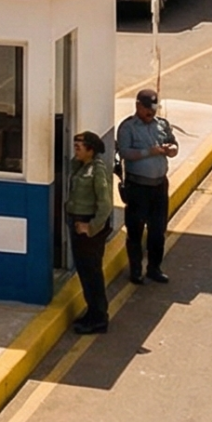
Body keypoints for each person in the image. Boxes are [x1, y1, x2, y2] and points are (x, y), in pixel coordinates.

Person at [115, 87, 180, 284]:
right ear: (137, 106)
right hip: (137, 187)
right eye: (147, 109)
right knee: (135, 231)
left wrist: (171, 150)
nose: (150, 113)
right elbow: (125, 152)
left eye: (153, 109)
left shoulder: (162, 124)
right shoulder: (128, 127)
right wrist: (149, 152)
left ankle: (154, 268)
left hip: (159, 186)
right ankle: (135, 270)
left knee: (158, 230)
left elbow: (174, 145)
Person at [68, 130, 116, 334]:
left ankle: (99, 318)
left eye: (79, 147)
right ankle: (92, 312)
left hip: (88, 228)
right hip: (79, 225)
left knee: (92, 273)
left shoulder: (97, 170)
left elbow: (105, 205)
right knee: (85, 272)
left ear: (91, 150)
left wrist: (91, 228)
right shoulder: (81, 167)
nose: (75, 151)